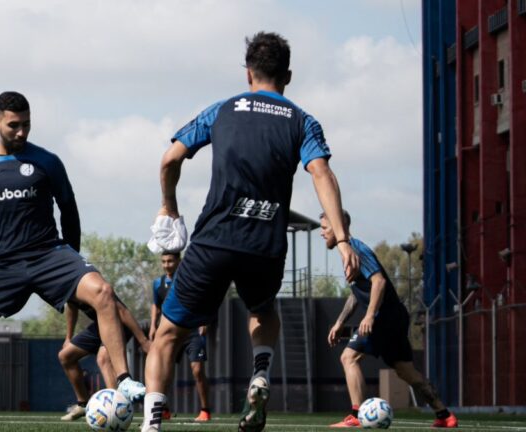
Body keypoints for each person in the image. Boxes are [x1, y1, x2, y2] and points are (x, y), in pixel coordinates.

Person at [141, 32, 359, 432]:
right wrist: (342, 240)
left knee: (168, 334)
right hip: (265, 243)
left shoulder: (223, 110)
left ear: (248, 74)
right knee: (263, 311)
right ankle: (260, 373)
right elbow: (321, 172)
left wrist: (169, 206)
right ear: (287, 76)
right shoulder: (302, 121)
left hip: (214, 241)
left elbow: (170, 159)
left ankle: (151, 424)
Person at [0, 91, 145, 432]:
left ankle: (124, 379)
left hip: (48, 256)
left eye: (27, 124)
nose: (22, 132)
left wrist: (73, 264)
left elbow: (69, 211)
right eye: (14, 125)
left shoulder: (48, 161)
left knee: (102, 291)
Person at [321, 211, 458, 429]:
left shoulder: (356, 248)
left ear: (340, 227)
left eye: (325, 228)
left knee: (349, 358)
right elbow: (357, 292)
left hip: (384, 317)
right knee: (405, 371)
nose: (322, 233)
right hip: (394, 316)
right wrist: (340, 322)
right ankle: (444, 414)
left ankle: (356, 415)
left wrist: (369, 315)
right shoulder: (347, 252)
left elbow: (379, 282)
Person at [59, 296, 151, 421]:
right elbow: (71, 306)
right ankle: (83, 404)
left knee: (103, 359)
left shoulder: (95, 285)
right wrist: (68, 337)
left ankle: (117, 409)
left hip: (118, 323)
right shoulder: (70, 289)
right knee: (66, 356)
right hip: (99, 324)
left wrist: (143, 341)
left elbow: (122, 310)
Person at [148, 252, 211, 422]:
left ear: (179, 261)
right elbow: (156, 304)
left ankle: (205, 410)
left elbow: (204, 296)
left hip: (192, 330)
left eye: (170, 261)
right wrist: (153, 325)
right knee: (164, 369)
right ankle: (163, 408)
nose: (167, 264)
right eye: (163, 261)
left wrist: (204, 320)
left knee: (197, 370)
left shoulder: (188, 279)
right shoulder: (158, 283)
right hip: (170, 332)